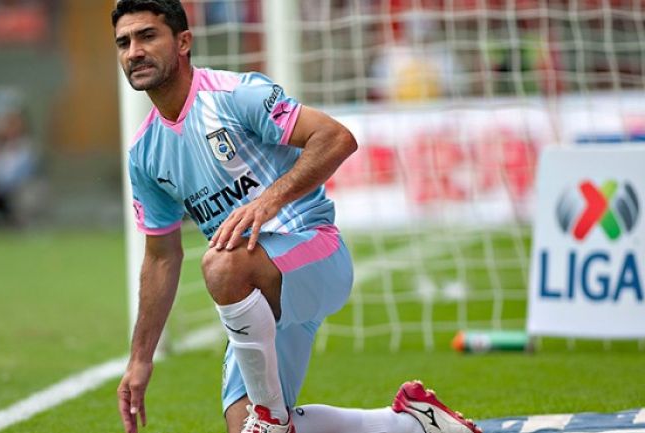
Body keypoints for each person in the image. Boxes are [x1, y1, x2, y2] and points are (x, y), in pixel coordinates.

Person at [112, 2, 483, 433]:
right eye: (124, 42)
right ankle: (412, 422)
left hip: (313, 252)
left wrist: (268, 201)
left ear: (183, 42)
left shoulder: (235, 96)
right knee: (241, 427)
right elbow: (160, 257)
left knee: (220, 263)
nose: (134, 51)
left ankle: (270, 415)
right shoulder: (144, 153)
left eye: (147, 36)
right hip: (252, 297)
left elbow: (336, 138)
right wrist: (139, 360)